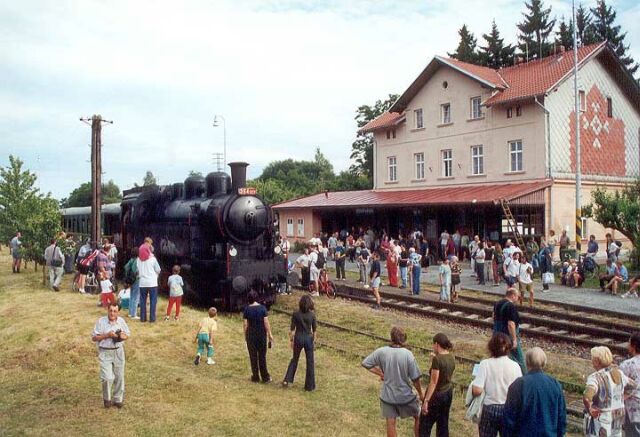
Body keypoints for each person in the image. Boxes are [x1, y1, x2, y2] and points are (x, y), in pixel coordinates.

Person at [362, 326, 424, 437]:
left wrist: (381, 373)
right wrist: (421, 394)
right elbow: (415, 379)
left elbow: (366, 363)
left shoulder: (381, 351)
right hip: (405, 396)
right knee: (418, 416)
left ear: (391, 337)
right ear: (403, 339)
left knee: (391, 423)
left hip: (388, 396)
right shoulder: (408, 354)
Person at [503, 347, 566, 437]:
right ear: (544, 363)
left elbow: (509, 417)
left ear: (527, 362)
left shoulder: (519, 384)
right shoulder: (555, 384)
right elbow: (561, 417)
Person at [471, 333, 523, 437]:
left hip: (490, 407)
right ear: (508, 348)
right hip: (509, 408)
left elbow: (477, 390)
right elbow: (520, 390)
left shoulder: (485, 364)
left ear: (491, 347)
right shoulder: (515, 366)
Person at [584, 346, 636, 437]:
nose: (591, 361)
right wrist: (622, 397)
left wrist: (590, 409)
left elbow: (587, 396)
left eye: (592, 359)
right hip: (618, 415)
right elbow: (633, 386)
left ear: (597, 361)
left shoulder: (595, 377)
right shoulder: (619, 373)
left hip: (603, 417)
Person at [91, 302, 130, 408]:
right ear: (107, 310)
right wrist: (107, 335)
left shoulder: (121, 321)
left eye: (115, 311)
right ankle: (107, 399)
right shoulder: (101, 321)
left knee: (119, 376)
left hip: (118, 351)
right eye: (110, 310)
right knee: (107, 377)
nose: (112, 313)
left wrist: (121, 336)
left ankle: (118, 399)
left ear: (118, 312)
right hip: (105, 351)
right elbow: (94, 338)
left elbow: (127, 334)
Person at [419, 333, 455, 437]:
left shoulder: (437, 360)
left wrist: (426, 401)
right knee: (443, 424)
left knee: (425, 424)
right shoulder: (451, 357)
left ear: (437, 344)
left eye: (433, 344)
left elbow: (433, 382)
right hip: (448, 392)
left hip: (437, 395)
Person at [283, 295, 317, 391]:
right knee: (310, 362)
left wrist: (291, 340)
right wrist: (314, 342)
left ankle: (287, 379)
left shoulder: (296, 314)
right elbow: (314, 330)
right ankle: (309, 386)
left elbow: (292, 330)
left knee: (295, 359)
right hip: (308, 338)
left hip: (298, 337)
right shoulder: (312, 315)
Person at [493, 288, 526, 374]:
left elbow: (493, 317)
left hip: (497, 335)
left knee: (499, 356)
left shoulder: (497, 303)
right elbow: (511, 324)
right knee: (519, 358)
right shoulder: (511, 306)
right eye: (517, 297)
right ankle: (523, 374)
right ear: (513, 295)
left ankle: (499, 372)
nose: (518, 299)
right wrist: (514, 339)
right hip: (507, 337)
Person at [243, 290, 274, 383]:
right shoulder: (263, 308)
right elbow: (266, 322)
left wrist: (245, 335)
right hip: (261, 335)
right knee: (262, 356)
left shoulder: (247, 309)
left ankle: (255, 376)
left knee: (253, 356)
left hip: (251, 335)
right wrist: (270, 334)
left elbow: (245, 324)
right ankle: (265, 377)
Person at [620, 332, 640, 436]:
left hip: (633, 410)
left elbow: (619, 386)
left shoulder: (626, 365)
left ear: (634, 346)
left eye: (629, 342)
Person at [136, 248, 161, 322]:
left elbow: (137, 270)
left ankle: (143, 318)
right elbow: (158, 269)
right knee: (153, 300)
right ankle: (152, 319)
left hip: (142, 283)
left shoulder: (138, 259)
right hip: (152, 283)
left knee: (143, 301)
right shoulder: (153, 259)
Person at [123, 247, 140, 319]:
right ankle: (134, 314)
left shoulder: (131, 260)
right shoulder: (137, 261)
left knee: (132, 296)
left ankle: (130, 313)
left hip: (131, 280)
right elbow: (137, 270)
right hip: (136, 280)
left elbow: (125, 267)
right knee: (136, 297)